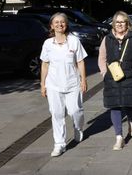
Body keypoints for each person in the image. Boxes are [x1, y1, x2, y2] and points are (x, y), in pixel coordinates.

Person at [40, 12, 88, 157]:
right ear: (51, 26)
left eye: (63, 22)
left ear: (66, 25)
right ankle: (59, 144)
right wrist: (43, 84)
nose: (60, 24)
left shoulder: (74, 41)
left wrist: (83, 80)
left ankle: (78, 128)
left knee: (75, 111)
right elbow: (45, 65)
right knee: (57, 114)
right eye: (56, 22)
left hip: (73, 84)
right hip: (54, 85)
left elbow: (80, 61)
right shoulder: (48, 44)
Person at [98, 11, 132, 150]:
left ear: (127, 24)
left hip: (130, 76)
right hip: (112, 78)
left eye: (122, 22)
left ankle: (131, 120)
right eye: (117, 22)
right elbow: (102, 58)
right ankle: (119, 137)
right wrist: (104, 73)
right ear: (113, 23)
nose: (119, 24)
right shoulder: (107, 39)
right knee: (115, 105)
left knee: (130, 103)